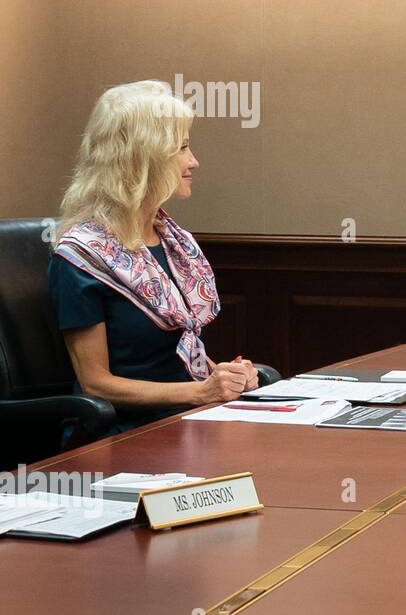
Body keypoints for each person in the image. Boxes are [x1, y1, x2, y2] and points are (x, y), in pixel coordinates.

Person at [48, 81, 258, 436]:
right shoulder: (81, 257)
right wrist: (200, 392)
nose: (193, 162)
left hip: (187, 421)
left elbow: (173, 354)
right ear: (142, 158)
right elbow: (95, 385)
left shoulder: (174, 242)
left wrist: (227, 377)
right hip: (124, 435)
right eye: (182, 148)